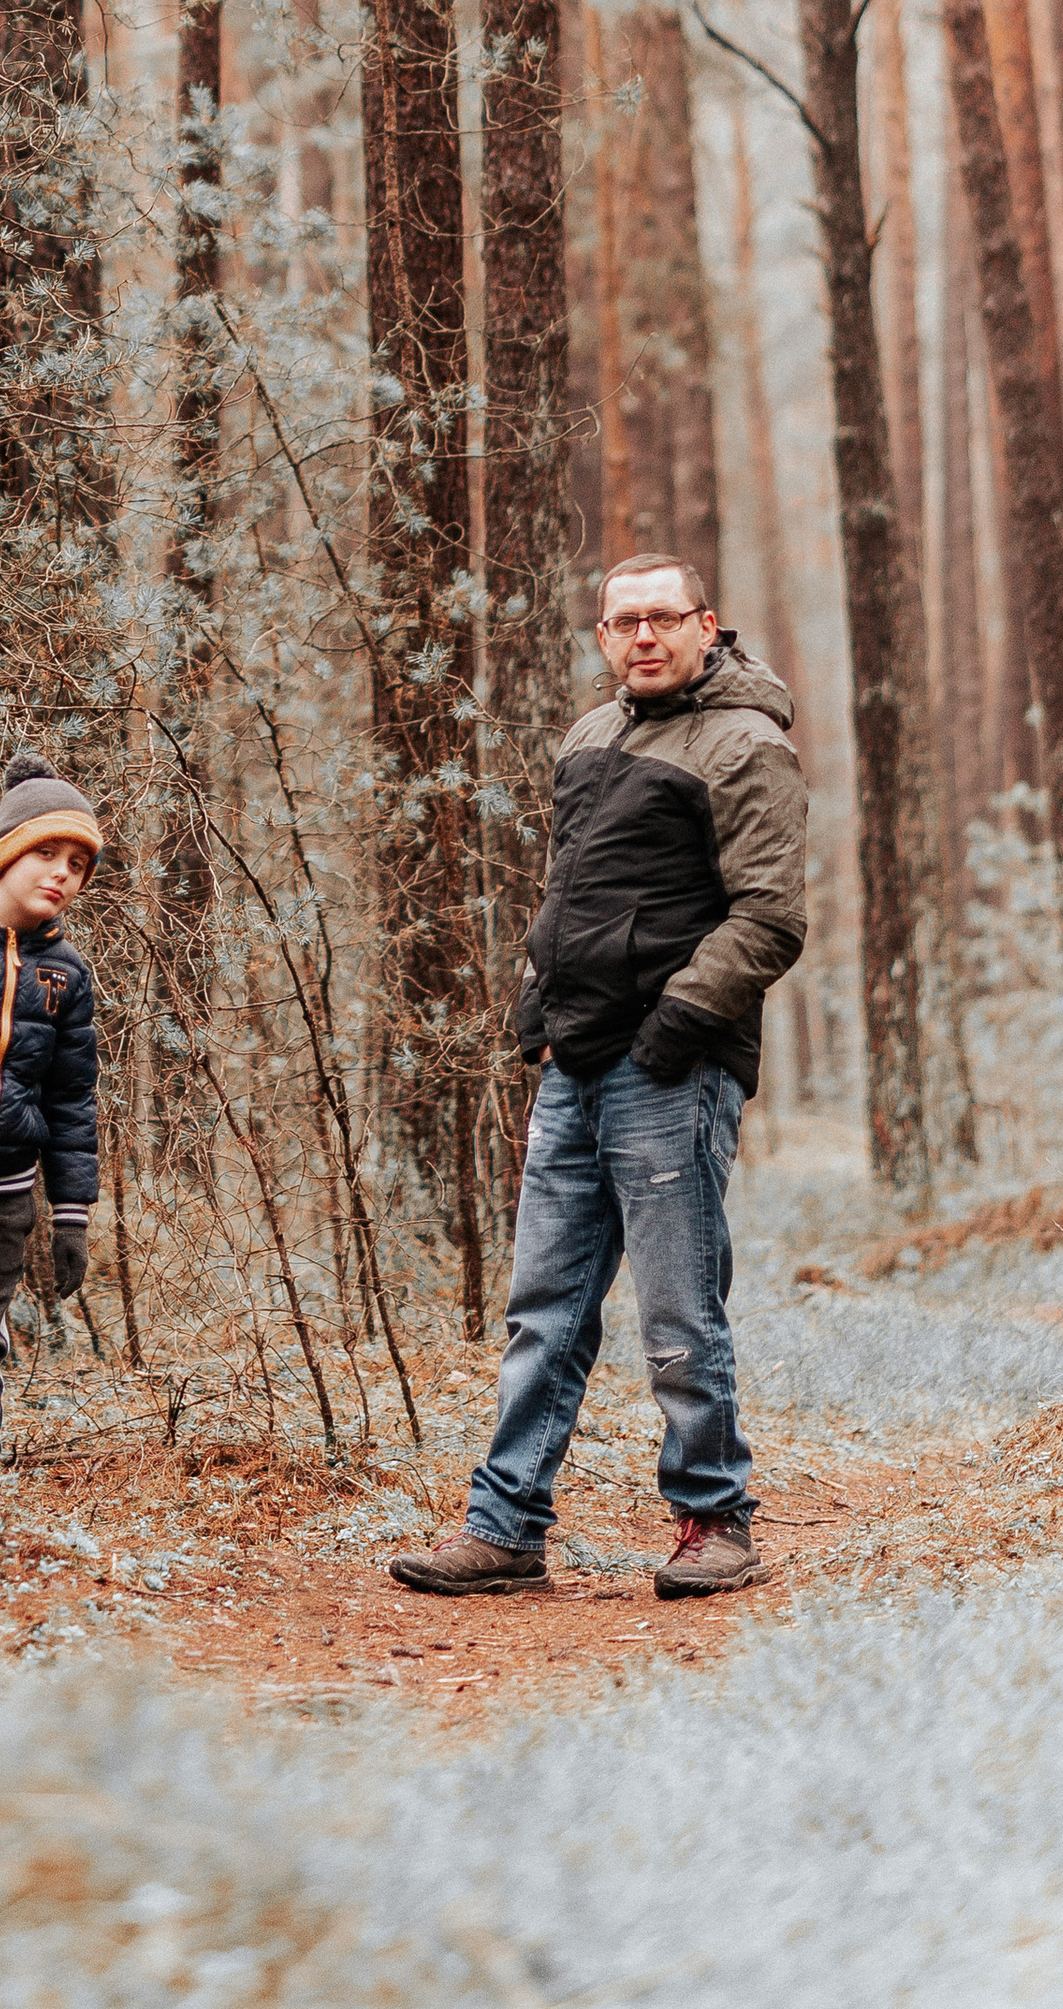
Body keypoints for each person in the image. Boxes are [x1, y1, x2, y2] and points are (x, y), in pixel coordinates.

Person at [391, 554, 807, 1604]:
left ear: (705, 624)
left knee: (678, 1315)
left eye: (663, 618)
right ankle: (505, 1528)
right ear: (603, 635)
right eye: (624, 623)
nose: (644, 638)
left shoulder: (744, 745)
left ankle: (716, 1521)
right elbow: (565, 895)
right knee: (545, 1312)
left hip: (671, 1071)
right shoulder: (591, 734)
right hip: (571, 1066)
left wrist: (672, 1028)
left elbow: (769, 916)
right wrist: (536, 1014)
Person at [0, 750, 103, 1449]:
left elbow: (71, 1100)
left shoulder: (65, 971)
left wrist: (71, 1215)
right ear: (6, 851)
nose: (61, 873)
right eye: (47, 853)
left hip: (7, 1188)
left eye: (78, 864)